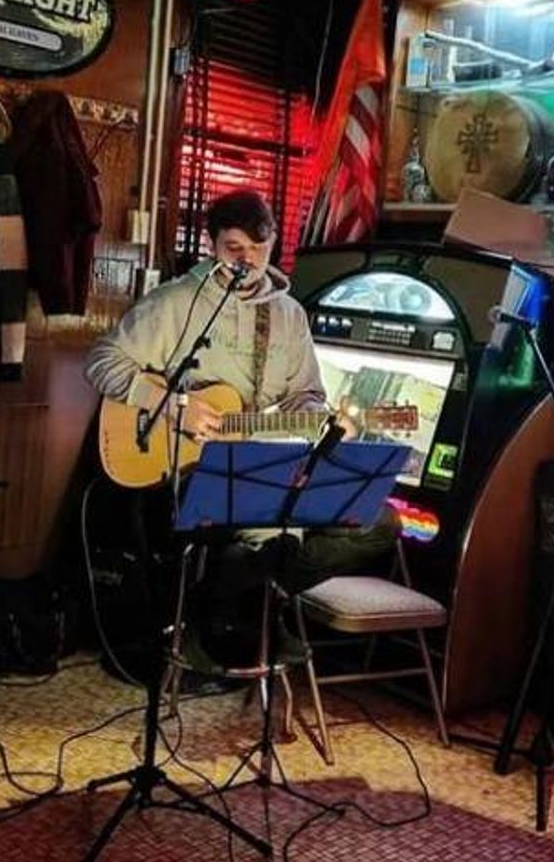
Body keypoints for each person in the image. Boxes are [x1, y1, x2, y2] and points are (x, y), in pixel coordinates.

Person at [84, 188, 397, 667]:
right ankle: (250, 605)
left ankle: (236, 588)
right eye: (236, 250)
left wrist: (323, 421)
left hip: (263, 463)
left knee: (379, 522)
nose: (249, 261)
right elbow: (102, 361)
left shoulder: (289, 316)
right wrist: (173, 407)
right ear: (212, 244)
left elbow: (306, 397)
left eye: (261, 250)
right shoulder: (177, 302)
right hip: (187, 469)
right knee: (267, 527)